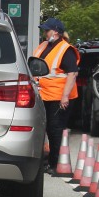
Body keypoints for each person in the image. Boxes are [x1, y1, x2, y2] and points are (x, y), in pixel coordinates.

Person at [34, 18, 80, 169]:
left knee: (55, 130)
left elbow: (72, 74)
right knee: (46, 129)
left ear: (56, 32)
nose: (45, 33)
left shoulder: (66, 49)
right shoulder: (44, 46)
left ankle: (55, 164)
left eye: (47, 30)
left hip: (59, 97)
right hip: (44, 95)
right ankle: (48, 161)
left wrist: (65, 97)